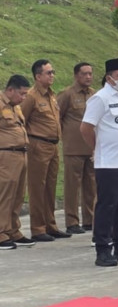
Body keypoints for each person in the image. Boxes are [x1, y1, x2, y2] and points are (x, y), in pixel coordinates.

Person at [80, 58, 118, 267]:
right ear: (109, 78)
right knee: (108, 205)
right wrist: (97, 148)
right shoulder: (100, 99)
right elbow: (86, 127)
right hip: (109, 163)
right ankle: (103, 248)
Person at [21, 59, 71, 242]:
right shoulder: (31, 96)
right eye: (48, 73)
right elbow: (21, 120)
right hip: (38, 145)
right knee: (37, 187)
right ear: (38, 76)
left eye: (53, 72)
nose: (52, 75)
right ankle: (38, 228)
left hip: (53, 146)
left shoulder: (51, 95)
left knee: (50, 187)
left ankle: (51, 224)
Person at [56, 62, 96, 234]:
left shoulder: (95, 95)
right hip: (73, 147)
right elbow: (57, 117)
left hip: (91, 147)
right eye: (84, 74)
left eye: (90, 74)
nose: (88, 77)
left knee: (91, 185)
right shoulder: (67, 94)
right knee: (73, 186)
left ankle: (89, 219)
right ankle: (72, 221)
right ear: (76, 76)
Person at [0, 75, 34, 250]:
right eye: (21, 94)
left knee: (18, 194)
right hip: (5, 156)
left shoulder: (16, 107)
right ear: (10, 90)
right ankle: (1, 232)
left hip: (21, 154)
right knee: (4, 195)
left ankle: (13, 229)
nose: (23, 98)